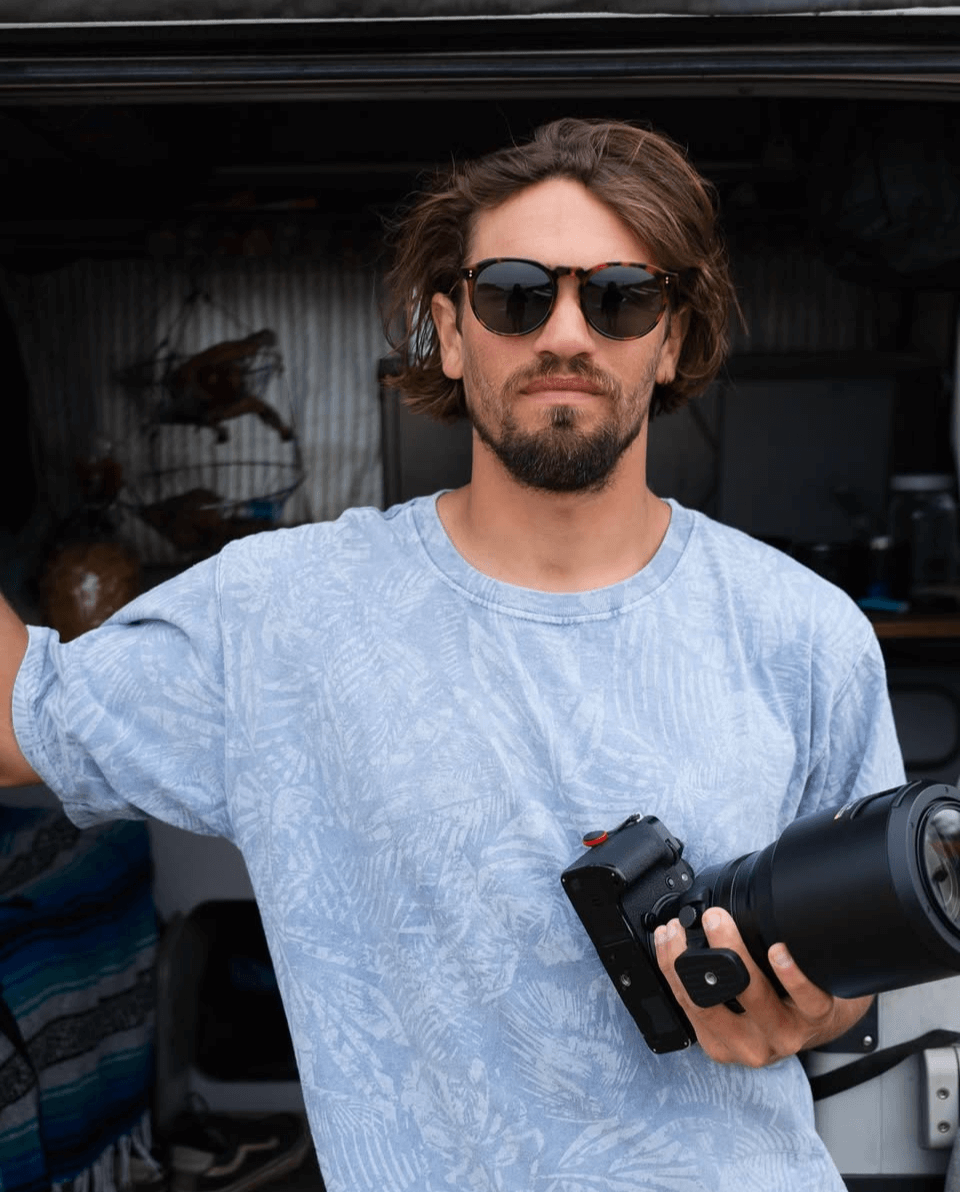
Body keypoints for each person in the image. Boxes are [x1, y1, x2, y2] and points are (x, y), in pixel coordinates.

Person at [0, 117, 903, 1191]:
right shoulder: (286, 615)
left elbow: (858, 971)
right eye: (515, 294)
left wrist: (805, 1011)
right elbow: (17, 720)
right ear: (452, 330)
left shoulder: (804, 631)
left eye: (620, 297)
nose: (564, 333)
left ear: (669, 339)